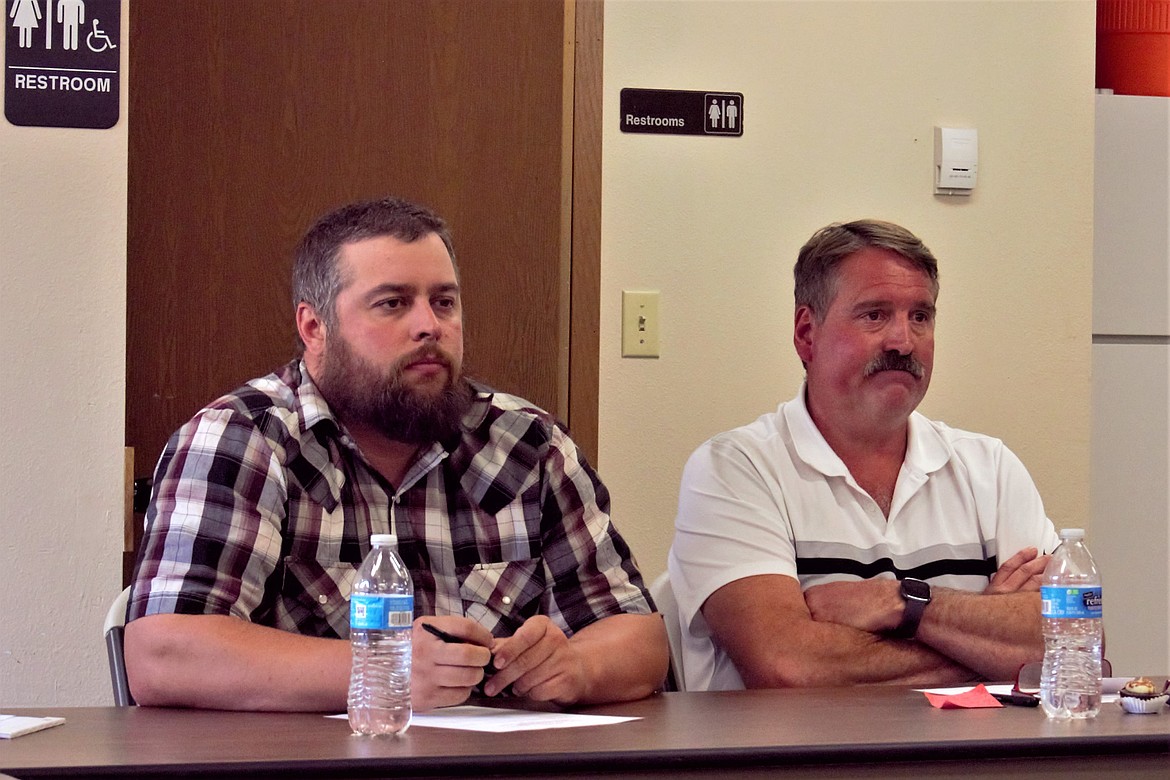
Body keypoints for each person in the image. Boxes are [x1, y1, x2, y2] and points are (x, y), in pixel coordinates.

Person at [125, 196, 668, 711]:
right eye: (392, 303)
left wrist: (577, 666)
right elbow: (164, 653)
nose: (429, 325)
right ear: (314, 327)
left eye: (444, 302)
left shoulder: (527, 445)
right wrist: (383, 668)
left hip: (497, 768)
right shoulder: (245, 439)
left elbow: (640, 640)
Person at [668, 219, 1061, 691]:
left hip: (973, 761)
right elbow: (789, 669)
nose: (903, 341)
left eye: (921, 316)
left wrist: (904, 603)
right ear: (806, 334)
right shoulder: (735, 470)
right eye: (875, 315)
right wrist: (987, 642)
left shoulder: (991, 469)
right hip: (802, 764)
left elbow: (1077, 648)